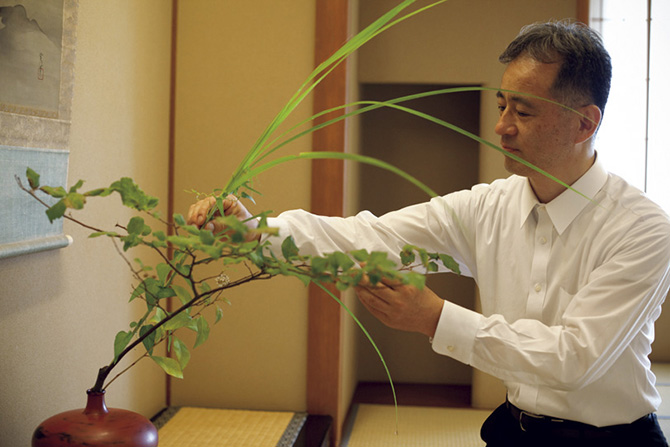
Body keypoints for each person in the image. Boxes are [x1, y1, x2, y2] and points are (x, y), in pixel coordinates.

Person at [187, 21, 670, 447]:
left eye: (523, 113)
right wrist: (254, 232)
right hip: (516, 430)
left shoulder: (643, 228)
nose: (500, 126)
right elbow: (370, 237)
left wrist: (435, 318)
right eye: (502, 106)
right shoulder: (489, 206)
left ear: (585, 122)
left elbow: (575, 359)